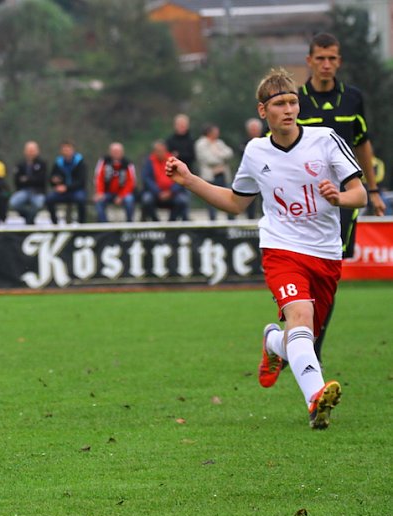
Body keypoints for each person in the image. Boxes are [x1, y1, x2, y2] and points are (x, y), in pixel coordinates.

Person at [165, 68, 367, 430]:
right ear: (264, 112)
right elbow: (235, 202)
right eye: (279, 104)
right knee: (300, 317)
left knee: (300, 336)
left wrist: (340, 196)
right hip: (281, 249)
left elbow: (360, 193)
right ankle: (315, 400)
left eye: (293, 102)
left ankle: (274, 343)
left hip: (325, 253)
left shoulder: (326, 139)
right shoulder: (256, 152)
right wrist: (190, 180)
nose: (288, 109)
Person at [297, 32, 386, 362]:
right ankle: (301, 332)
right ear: (309, 61)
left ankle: (313, 343)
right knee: (303, 268)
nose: (326, 64)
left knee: (328, 272)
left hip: (345, 199)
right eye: (320, 58)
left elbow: (363, 143)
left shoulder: (353, 98)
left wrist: (372, 190)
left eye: (332, 58)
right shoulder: (295, 100)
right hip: (303, 201)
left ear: (339, 61)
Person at [140, 140, 189, 222]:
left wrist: (171, 192)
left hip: (172, 194)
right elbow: (146, 178)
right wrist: (157, 192)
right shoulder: (149, 161)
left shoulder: (173, 161)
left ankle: (171, 223)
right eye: (157, 151)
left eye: (161, 151)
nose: (159, 153)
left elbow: (180, 178)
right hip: (155, 194)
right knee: (146, 199)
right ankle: (156, 222)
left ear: (165, 150)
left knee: (182, 200)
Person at [195, 124, 235, 220]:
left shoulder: (219, 143)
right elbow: (209, 159)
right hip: (210, 177)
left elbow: (229, 153)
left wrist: (218, 154)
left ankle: (231, 221)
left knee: (229, 199)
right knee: (211, 201)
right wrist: (221, 158)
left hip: (222, 176)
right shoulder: (201, 144)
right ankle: (213, 223)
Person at [46, 140, 88, 224]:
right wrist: (54, 181)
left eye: (68, 149)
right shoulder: (58, 163)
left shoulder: (80, 163)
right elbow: (51, 179)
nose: (66, 152)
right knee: (49, 199)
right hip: (62, 192)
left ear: (73, 150)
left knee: (81, 199)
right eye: (64, 149)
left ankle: (82, 225)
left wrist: (66, 188)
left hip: (76, 190)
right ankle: (55, 224)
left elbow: (81, 181)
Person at [93, 142, 136, 222]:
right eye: (114, 151)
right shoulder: (104, 162)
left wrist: (121, 196)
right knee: (98, 201)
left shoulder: (128, 164)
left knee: (129, 200)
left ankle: (130, 225)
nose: (116, 153)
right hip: (107, 193)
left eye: (118, 151)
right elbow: (99, 178)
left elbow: (131, 183)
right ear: (110, 152)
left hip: (123, 194)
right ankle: (104, 227)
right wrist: (99, 192)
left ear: (122, 152)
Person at [9, 141, 48, 224]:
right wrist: (32, 179)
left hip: (37, 192)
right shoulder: (20, 164)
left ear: (37, 151)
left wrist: (27, 179)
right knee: (13, 202)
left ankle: (29, 222)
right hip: (23, 191)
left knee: (38, 204)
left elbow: (42, 180)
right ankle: (28, 217)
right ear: (25, 151)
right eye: (29, 150)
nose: (31, 152)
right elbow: (17, 181)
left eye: (32, 150)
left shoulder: (42, 163)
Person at [240, 118, 265, 219]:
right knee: (249, 199)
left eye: (255, 129)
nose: (254, 131)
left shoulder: (267, 141)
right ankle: (250, 221)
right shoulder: (244, 143)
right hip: (250, 174)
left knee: (265, 198)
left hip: (265, 174)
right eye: (252, 129)